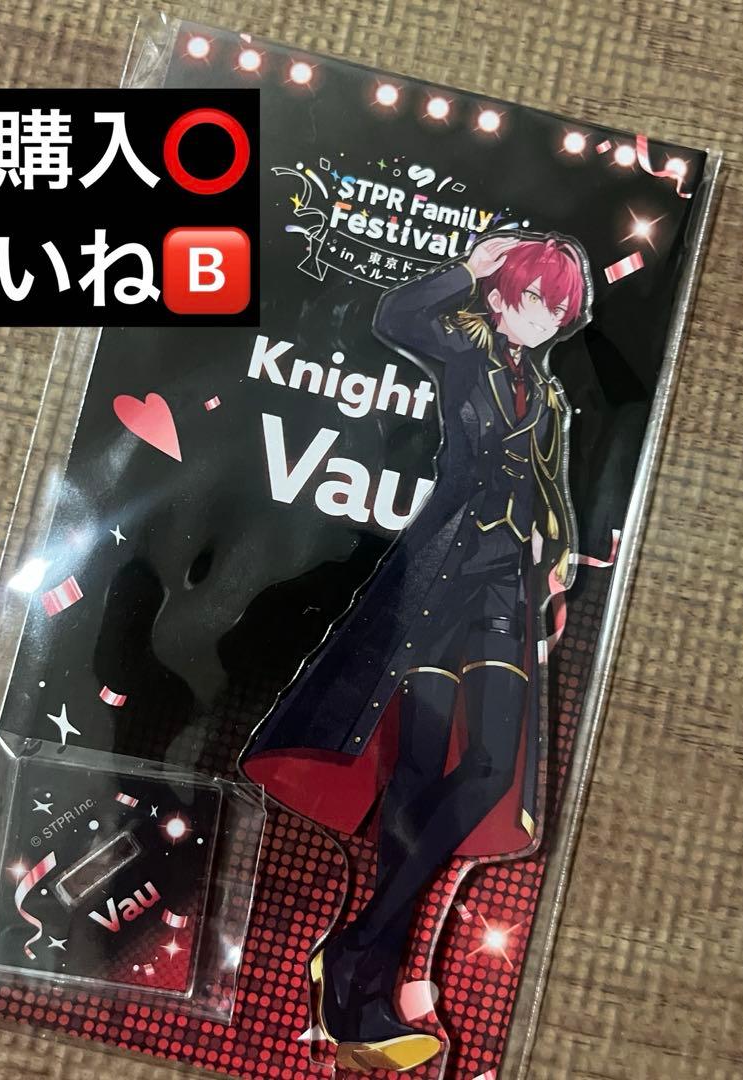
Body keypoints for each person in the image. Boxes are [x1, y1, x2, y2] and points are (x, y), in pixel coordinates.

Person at [242, 233, 592, 1072]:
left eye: (560, 308)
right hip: (441, 577)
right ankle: (361, 996)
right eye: (536, 299)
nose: (546, 318)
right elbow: (394, 316)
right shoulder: (467, 356)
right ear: (504, 296)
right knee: (415, 775)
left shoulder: (549, 394)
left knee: (488, 767)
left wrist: (559, 555)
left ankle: (358, 946)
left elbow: (548, 483)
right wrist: (466, 270)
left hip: (504, 589)